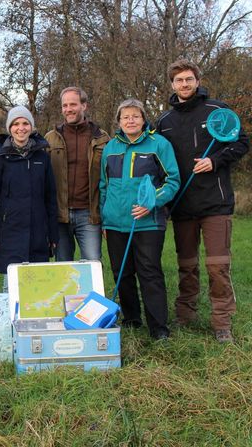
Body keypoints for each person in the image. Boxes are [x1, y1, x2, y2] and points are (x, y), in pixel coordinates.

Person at [156, 59, 249, 343]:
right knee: (187, 265)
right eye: (179, 80)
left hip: (215, 204)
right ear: (172, 85)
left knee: (217, 265)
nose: (184, 84)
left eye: (189, 79)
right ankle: (186, 315)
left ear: (197, 80)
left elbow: (241, 143)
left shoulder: (218, 111)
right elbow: (159, 163)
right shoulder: (164, 122)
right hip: (183, 206)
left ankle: (222, 322)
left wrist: (215, 160)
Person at [100, 99, 180, 340]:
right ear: (119, 121)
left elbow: (172, 180)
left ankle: (158, 328)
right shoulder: (110, 148)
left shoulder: (159, 145)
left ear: (144, 119)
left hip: (148, 223)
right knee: (121, 272)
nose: (130, 120)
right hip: (115, 224)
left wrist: (151, 202)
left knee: (149, 272)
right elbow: (103, 186)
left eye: (135, 116)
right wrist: (105, 217)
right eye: (125, 117)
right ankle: (132, 319)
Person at [0, 106, 59, 291]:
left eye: (25, 123)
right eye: (16, 124)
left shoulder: (42, 157)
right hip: (9, 231)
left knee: (37, 286)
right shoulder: (0, 157)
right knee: (12, 286)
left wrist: (53, 234)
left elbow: (50, 197)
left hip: (38, 231)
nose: (21, 128)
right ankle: (11, 320)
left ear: (31, 127)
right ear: (10, 128)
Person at [45, 86, 110, 261]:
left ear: (84, 106)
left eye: (73, 104)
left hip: (89, 214)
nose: (68, 109)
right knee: (63, 269)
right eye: (64, 105)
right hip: (60, 215)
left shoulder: (102, 138)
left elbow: (110, 178)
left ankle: (93, 291)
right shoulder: (50, 138)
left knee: (92, 265)